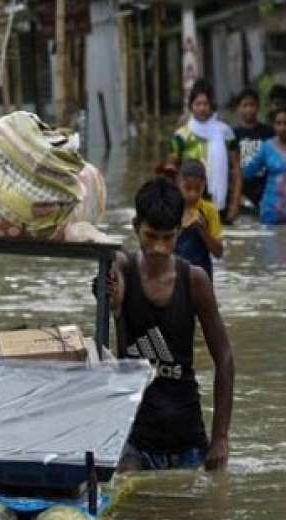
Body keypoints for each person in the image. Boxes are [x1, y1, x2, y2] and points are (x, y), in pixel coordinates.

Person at [107, 177, 234, 472]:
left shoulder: (195, 281)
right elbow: (112, 281)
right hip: (134, 440)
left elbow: (225, 358)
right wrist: (114, 303)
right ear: (135, 226)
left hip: (187, 438)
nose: (159, 248)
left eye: (168, 237)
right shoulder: (122, 268)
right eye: (151, 236)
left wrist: (220, 438)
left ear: (180, 230)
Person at [168, 80, 242, 224]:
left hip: (220, 202)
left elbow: (236, 171)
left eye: (205, 104)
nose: (202, 108)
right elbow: (172, 171)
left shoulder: (225, 133)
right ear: (191, 107)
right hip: (188, 201)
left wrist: (234, 205)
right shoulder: (181, 136)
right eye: (198, 104)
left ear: (212, 106)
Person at [174, 160, 224, 280]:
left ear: (204, 185)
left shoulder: (209, 211)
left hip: (203, 275)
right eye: (187, 188)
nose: (193, 194)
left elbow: (218, 253)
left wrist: (202, 230)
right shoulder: (171, 208)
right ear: (178, 182)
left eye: (198, 189)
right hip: (175, 274)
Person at [232, 88, 274, 212]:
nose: (249, 109)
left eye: (252, 105)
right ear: (238, 108)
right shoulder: (234, 134)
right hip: (244, 190)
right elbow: (233, 166)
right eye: (245, 105)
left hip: (265, 188)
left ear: (258, 107)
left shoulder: (268, 132)